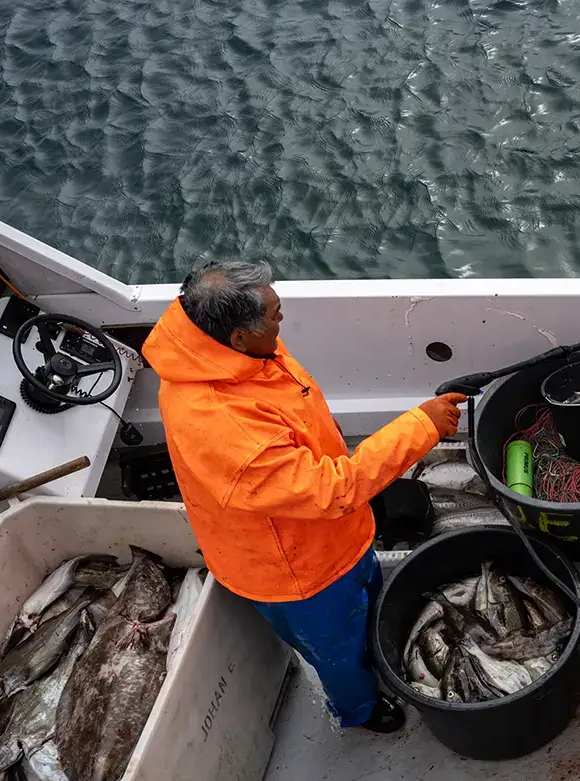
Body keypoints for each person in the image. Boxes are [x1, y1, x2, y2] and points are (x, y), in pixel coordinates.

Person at [142, 260, 465, 733]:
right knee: (336, 652)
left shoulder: (234, 350)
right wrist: (422, 427)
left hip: (335, 534)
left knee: (371, 607)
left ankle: (385, 646)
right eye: (274, 314)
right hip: (296, 574)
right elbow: (330, 489)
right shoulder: (220, 421)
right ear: (237, 336)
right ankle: (359, 710)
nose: (282, 320)